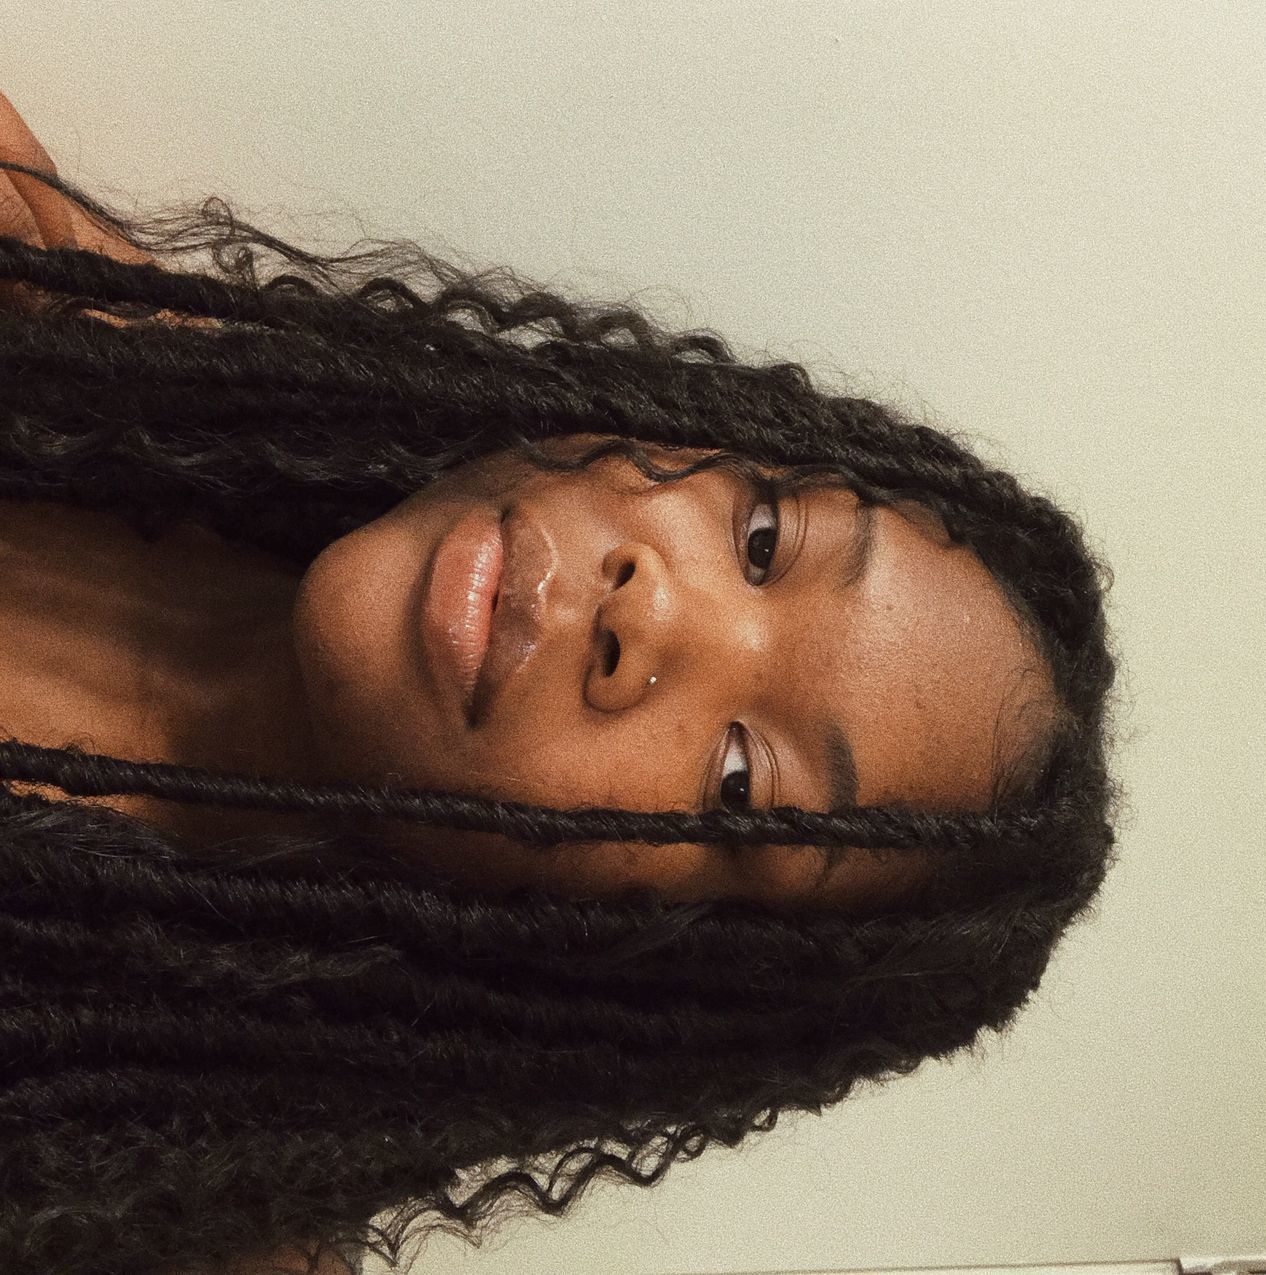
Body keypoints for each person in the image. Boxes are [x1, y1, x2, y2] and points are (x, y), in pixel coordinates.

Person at [0, 92, 1119, 1275]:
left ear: (642, 958)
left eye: (739, 782)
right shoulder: (69, 327)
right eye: (761, 540)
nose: (647, 610)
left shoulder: (119, 1207)